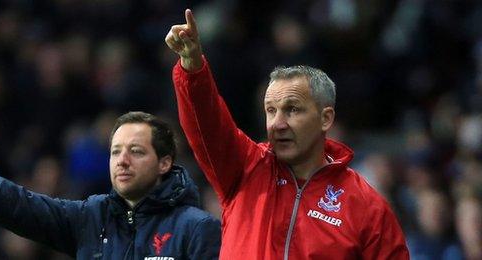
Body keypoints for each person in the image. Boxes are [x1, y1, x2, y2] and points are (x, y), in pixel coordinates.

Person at [165, 9, 409, 259]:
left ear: (326, 118)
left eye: (292, 110)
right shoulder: (245, 168)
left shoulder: (366, 205)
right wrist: (192, 66)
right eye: (271, 111)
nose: (277, 124)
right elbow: (207, 124)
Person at [0, 111, 221, 259]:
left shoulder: (197, 228)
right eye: (115, 151)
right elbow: (13, 202)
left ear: (165, 162)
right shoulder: (91, 217)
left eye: (136, 151)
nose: (122, 160)